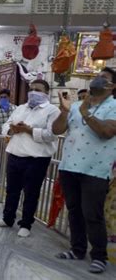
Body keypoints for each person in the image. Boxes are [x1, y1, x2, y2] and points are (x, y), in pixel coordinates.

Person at [52, 67, 116, 274]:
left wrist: (86, 114)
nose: (97, 79)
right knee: (74, 211)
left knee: (92, 214)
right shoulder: (77, 105)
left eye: (103, 78)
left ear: (112, 86)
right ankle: (77, 249)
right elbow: (57, 130)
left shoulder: (114, 106)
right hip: (69, 166)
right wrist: (64, 112)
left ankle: (99, 256)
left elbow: (107, 132)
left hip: (95, 170)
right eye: (97, 76)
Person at [0, 80, 59, 238]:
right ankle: (8, 218)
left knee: (31, 192)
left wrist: (29, 130)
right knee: (12, 190)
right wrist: (12, 129)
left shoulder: (52, 110)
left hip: (36, 159)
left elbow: (51, 135)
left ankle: (26, 223)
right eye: (32, 89)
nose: (34, 92)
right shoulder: (21, 108)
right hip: (15, 154)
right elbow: (6, 125)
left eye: (38, 90)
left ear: (46, 93)